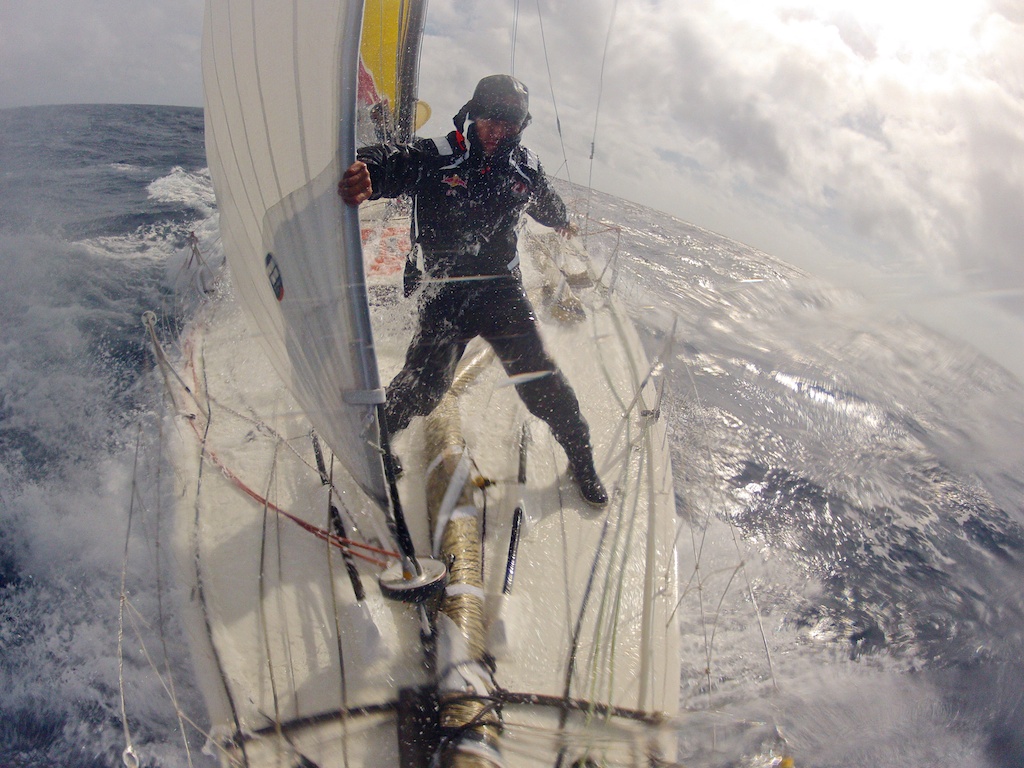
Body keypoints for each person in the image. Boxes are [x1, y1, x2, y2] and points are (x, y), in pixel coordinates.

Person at [339, 74, 607, 507]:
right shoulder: (437, 156)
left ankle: (583, 461)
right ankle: (376, 442)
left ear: (523, 126)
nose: (499, 131)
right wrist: (368, 170)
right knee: (425, 385)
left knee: (543, 382)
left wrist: (561, 220)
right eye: (491, 120)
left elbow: (547, 203)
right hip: (445, 291)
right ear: (472, 114)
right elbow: (393, 160)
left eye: (511, 124)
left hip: (502, 291)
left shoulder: (526, 169)